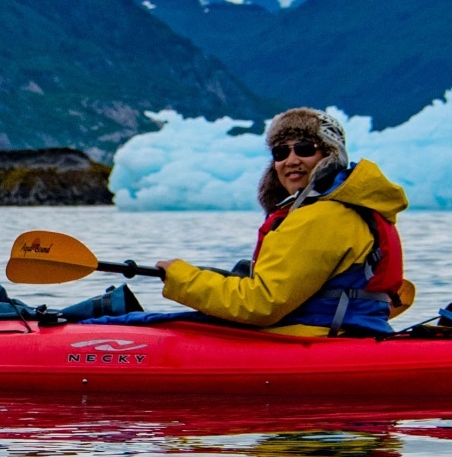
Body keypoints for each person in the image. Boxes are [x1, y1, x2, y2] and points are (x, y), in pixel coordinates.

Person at [157, 108, 410, 336]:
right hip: (344, 329)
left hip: (312, 336)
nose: (290, 160)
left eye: (304, 149)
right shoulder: (349, 208)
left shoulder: (323, 216)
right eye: (280, 152)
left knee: (145, 320)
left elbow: (261, 304)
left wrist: (181, 277)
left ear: (330, 155)